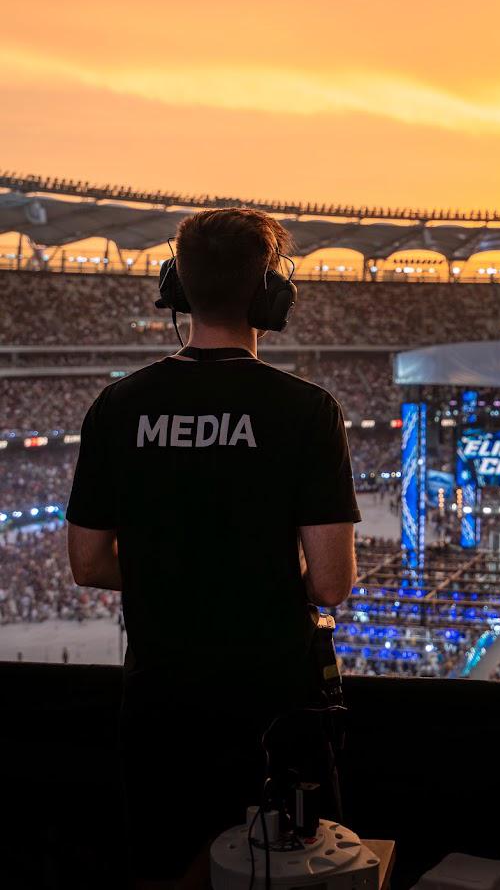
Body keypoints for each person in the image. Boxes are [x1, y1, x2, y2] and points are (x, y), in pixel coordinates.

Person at [66, 208, 361, 890]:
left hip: (158, 699)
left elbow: (87, 564)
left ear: (176, 287)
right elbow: (329, 584)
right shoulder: (308, 410)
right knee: (285, 871)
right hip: (273, 708)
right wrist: (245, 572)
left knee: (165, 870)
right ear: (270, 295)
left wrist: (178, 572)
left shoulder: (116, 406)